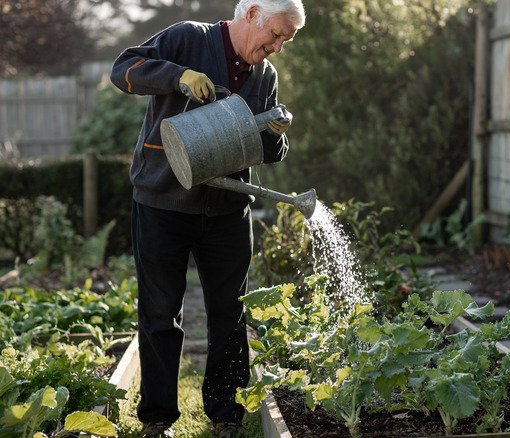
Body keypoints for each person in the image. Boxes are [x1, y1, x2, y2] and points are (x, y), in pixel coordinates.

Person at [110, 1, 305, 437]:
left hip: (227, 212)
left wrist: (275, 135)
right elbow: (123, 69)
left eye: (284, 41)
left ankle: (226, 414)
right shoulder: (188, 39)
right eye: (275, 34)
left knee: (230, 315)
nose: (276, 47)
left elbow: (267, 154)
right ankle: (157, 418)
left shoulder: (265, 77)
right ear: (252, 13)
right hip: (161, 202)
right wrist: (177, 76)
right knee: (160, 314)